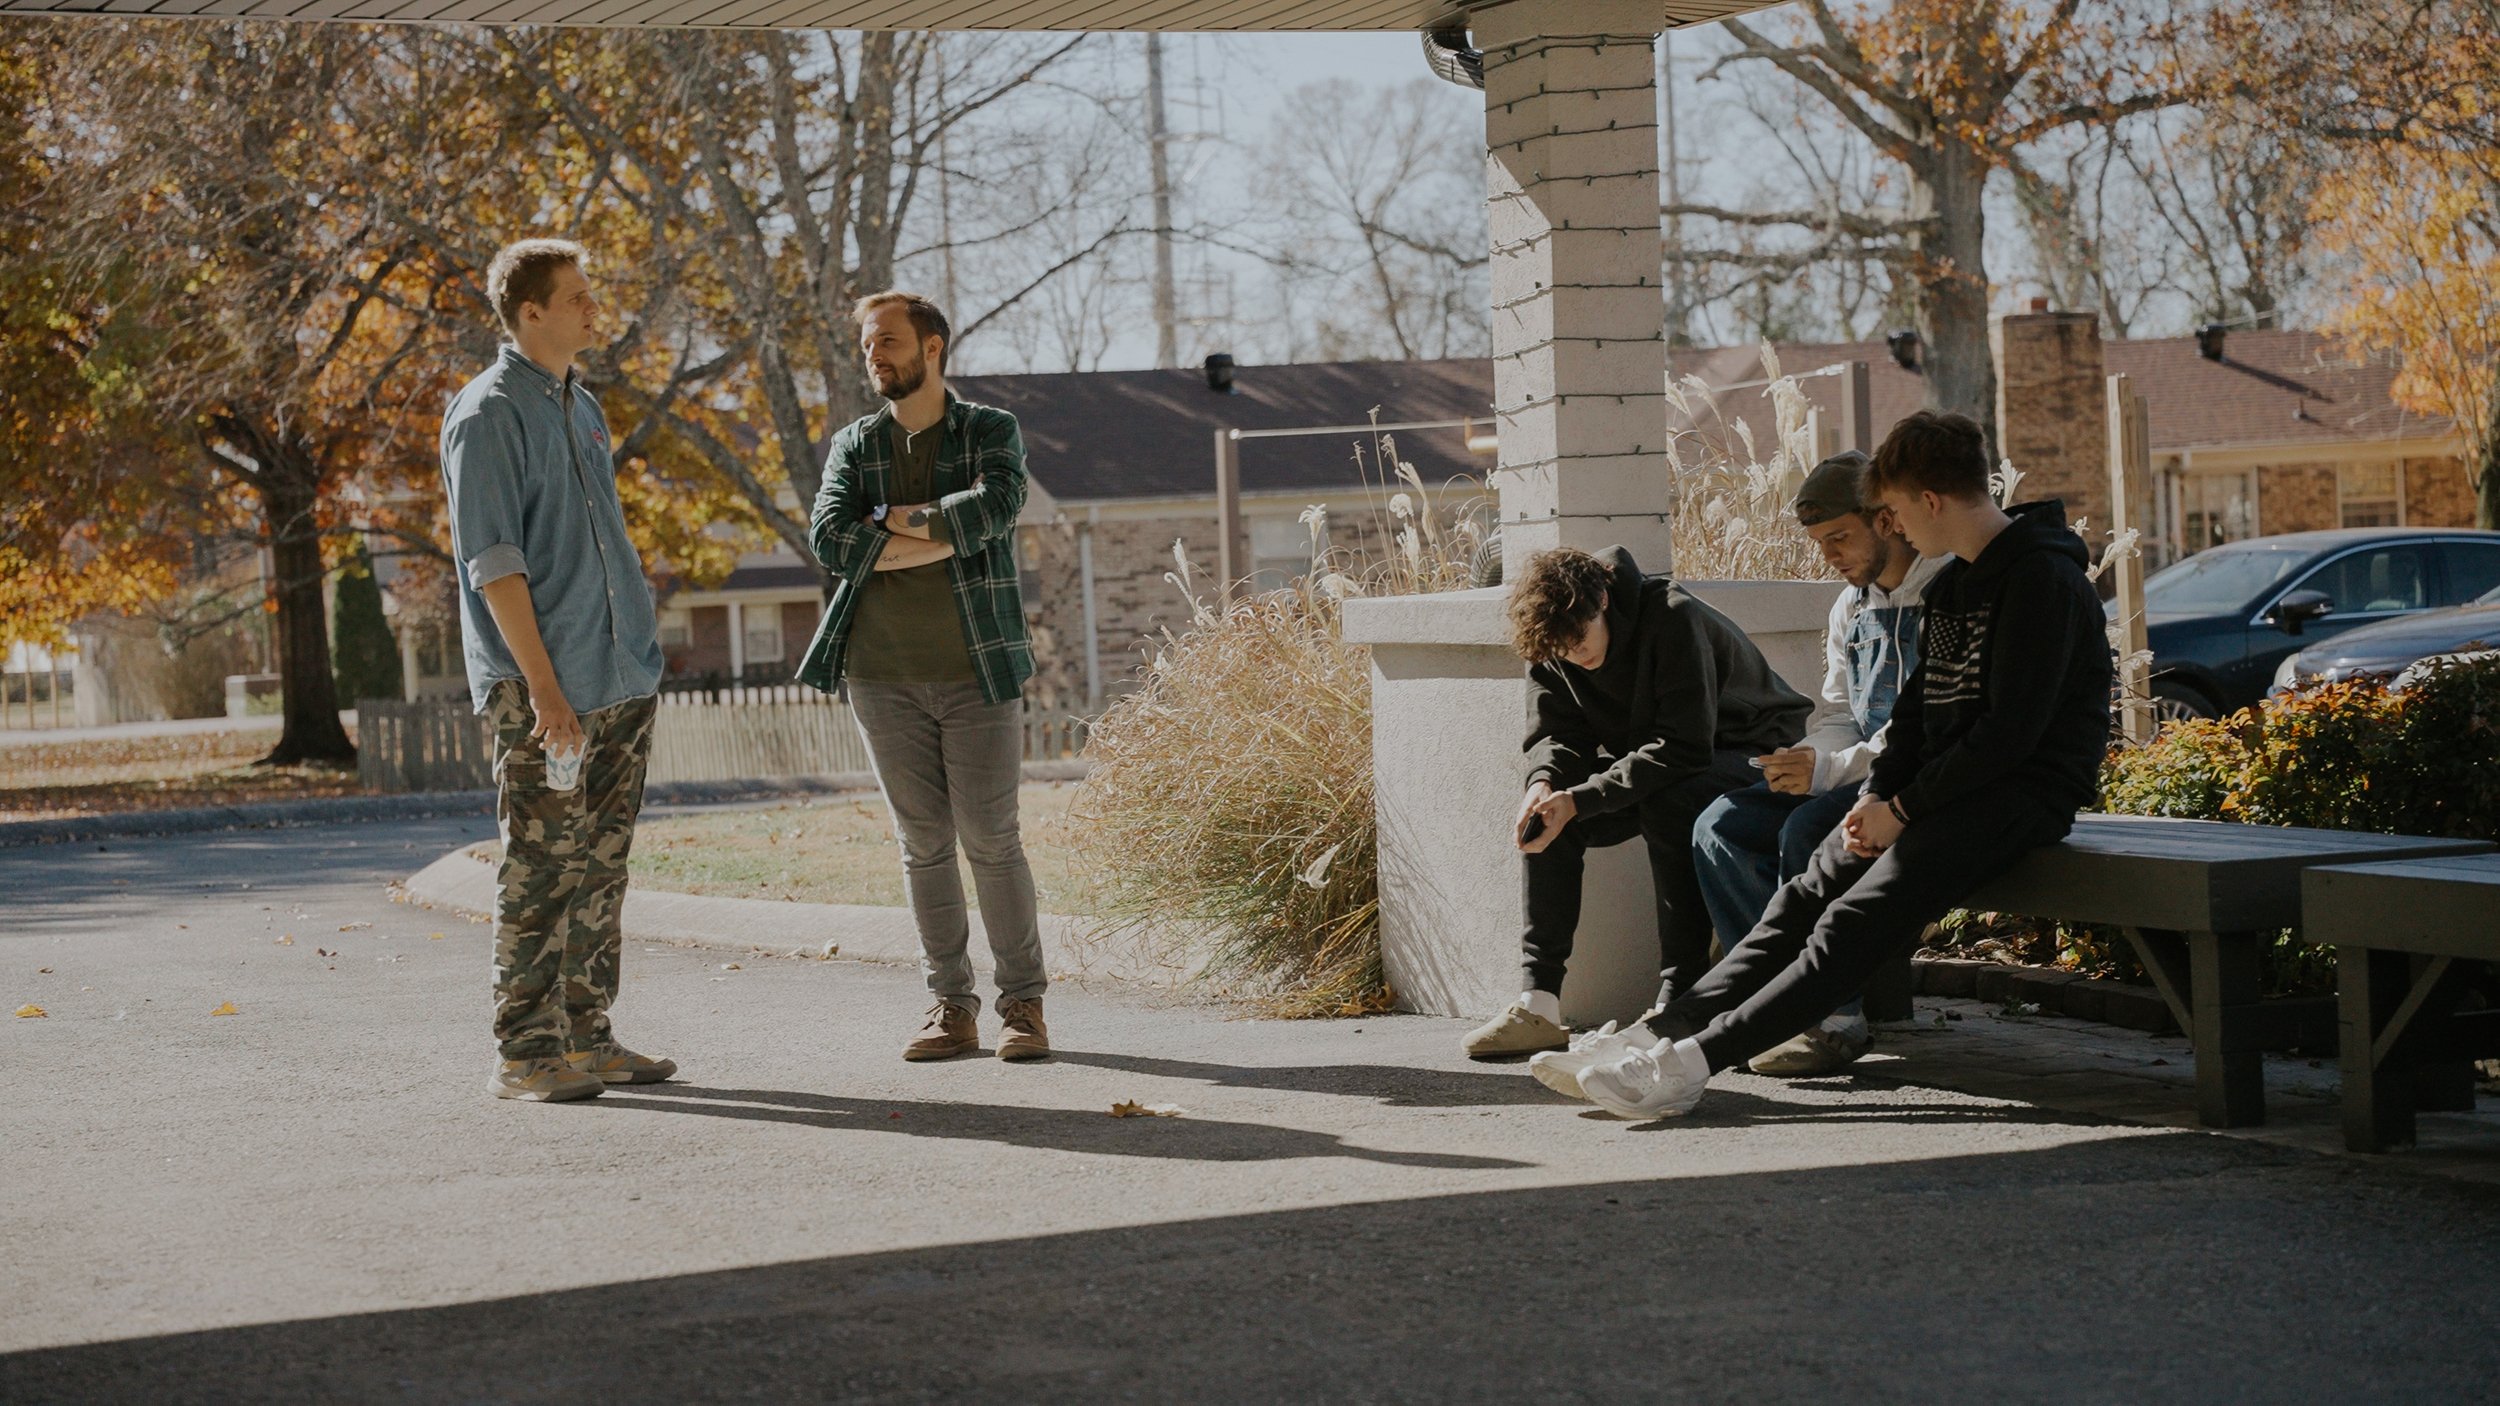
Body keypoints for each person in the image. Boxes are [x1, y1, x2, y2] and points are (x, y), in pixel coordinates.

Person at [1538, 411, 2115, 1119]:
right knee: (1799, 899)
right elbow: (1913, 722)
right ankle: (1663, 1032)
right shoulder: (1957, 587)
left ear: (1928, 501)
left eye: (1895, 511)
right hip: (1941, 792)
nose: (1895, 527)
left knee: (1851, 919)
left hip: (2020, 795)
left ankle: (1690, 1065)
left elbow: (2009, 736)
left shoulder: (2042, 582)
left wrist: (1900, 810)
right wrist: (1878, 796)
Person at [441, 238, 675, 1103]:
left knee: (601, 866)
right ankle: (525, 1051)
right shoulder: (487, 413)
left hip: (618, 675)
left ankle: (588, 1036)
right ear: (528, 311)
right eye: (575, 296)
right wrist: (543, 686)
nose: (591, 307)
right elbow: (494, 563)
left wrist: (637, 658)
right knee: (542, 867)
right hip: (543, 686)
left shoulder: (582, 406)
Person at [796, 291, 1050, 1063]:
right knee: (924, 844)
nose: (876, 356)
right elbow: (830, 537)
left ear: (932, 347)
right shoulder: (855, 444)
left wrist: (893, 522)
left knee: (991, 839)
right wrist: (943, 533)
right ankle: (951, 1006)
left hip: (977, 668)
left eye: (890, 342)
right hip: (881, 673)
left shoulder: (987, 430)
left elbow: (999, 504)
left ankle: (1023, 1008)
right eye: (869, 345)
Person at [1461, 546, 1814, 1060]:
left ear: (1602, 599)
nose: (1575, 657)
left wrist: (1582, 799)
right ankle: (1538, 1002)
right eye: (1561, 651)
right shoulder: (1552, 641)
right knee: (1546, 815)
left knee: (1666, 798)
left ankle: (1678, 994)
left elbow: (1686, 747)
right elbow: (1558, 734)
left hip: (1754, 754)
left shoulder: (1673, 618)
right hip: (1665, 755)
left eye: (1580, 640)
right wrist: (1545, 783)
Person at [1689, 450, 1943, 1076]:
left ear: (1886, 521)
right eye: (1819, 542)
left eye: (1839, 538)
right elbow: (1838, 712)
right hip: (1851, 771)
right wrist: (1809, 758)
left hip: (1916, 781)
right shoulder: (1847, 608)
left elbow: (1932, 729)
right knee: (1718, 825)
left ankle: (1833, 1018)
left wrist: (1827, 774)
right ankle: (1769, 1000)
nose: (1828, 555)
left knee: (1809, 831)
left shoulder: (1944, 591)